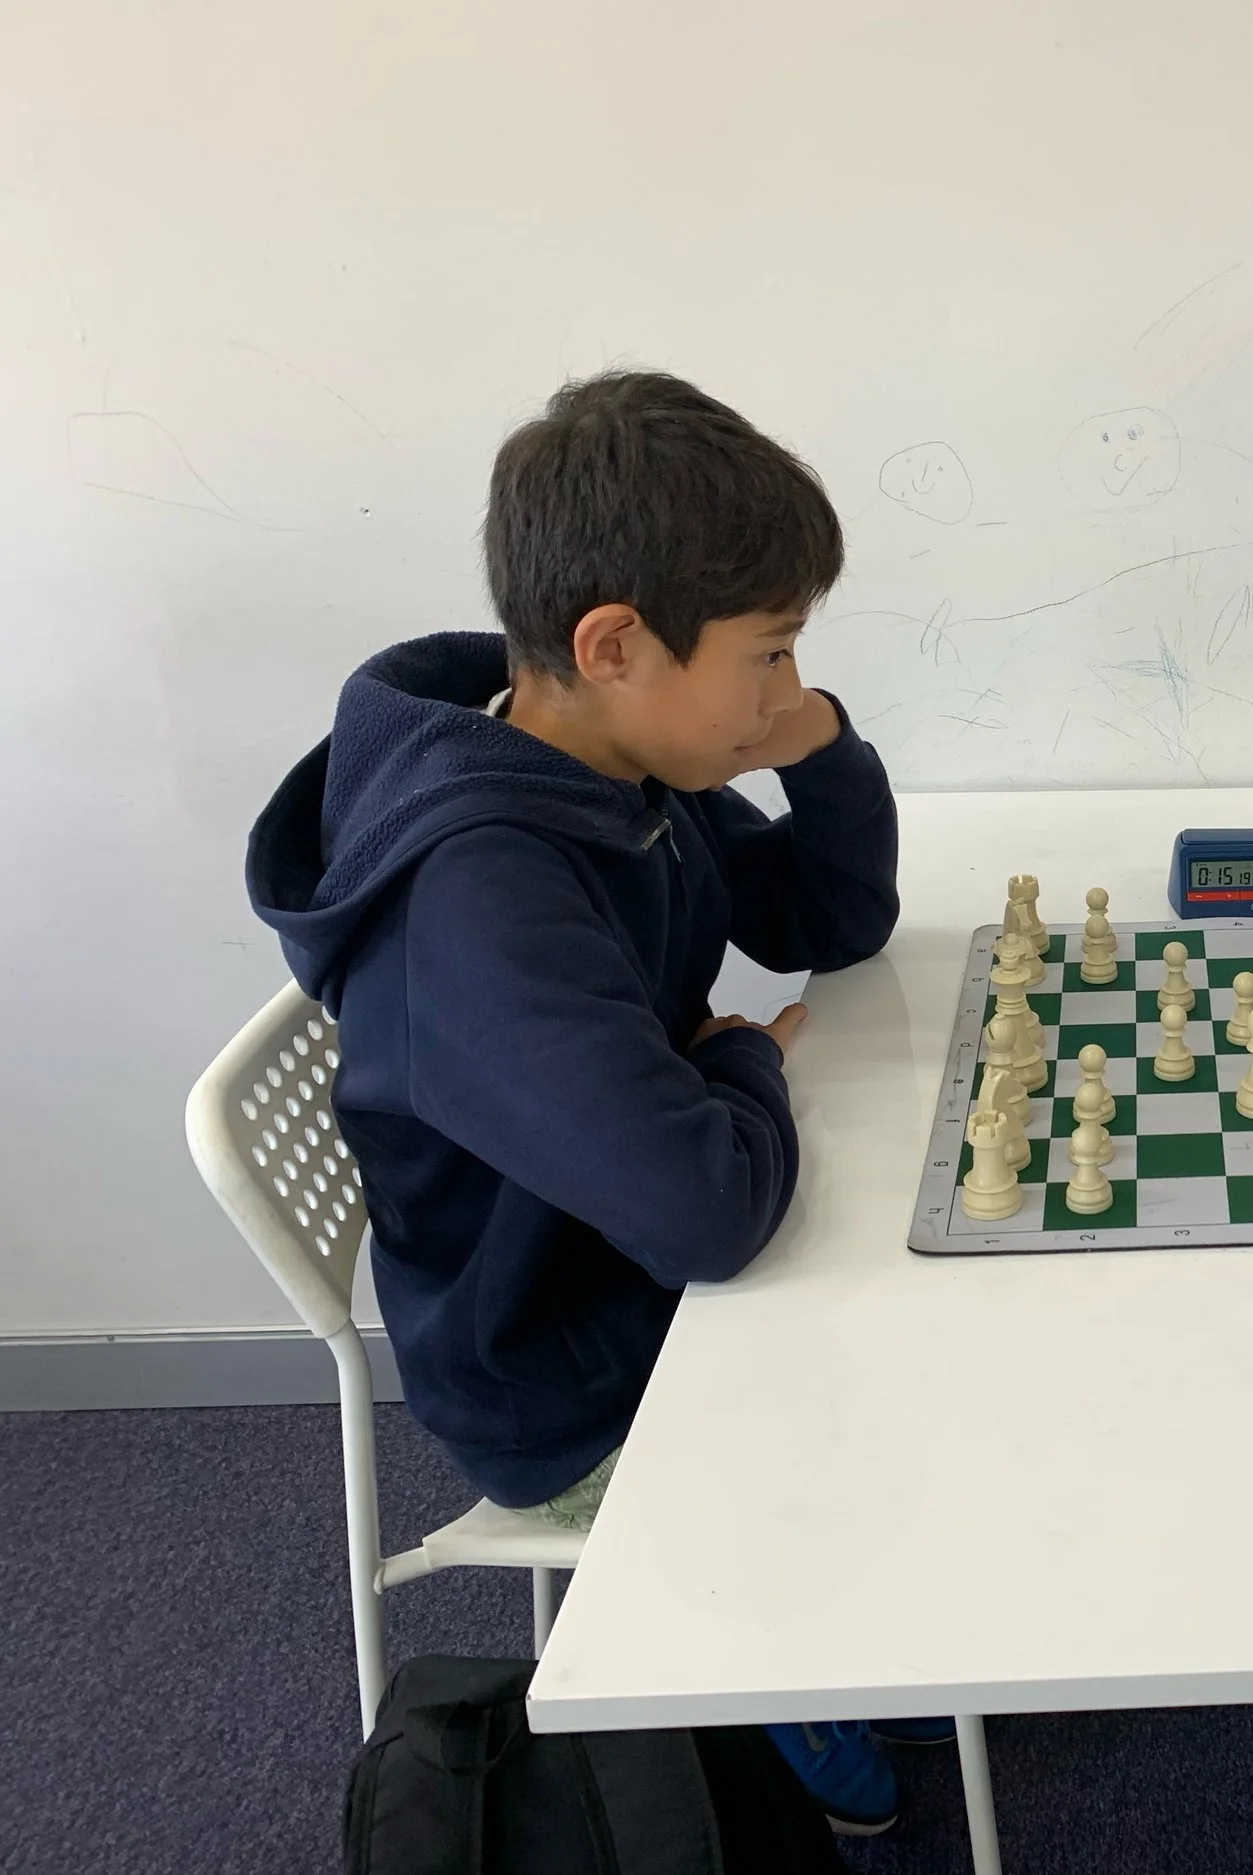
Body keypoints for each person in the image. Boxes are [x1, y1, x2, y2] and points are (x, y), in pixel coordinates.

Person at [247, 371, 929, 1835]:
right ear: (615, 643)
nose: (783, 688)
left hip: (626, 1248)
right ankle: (769, 1671)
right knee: (930, 1353)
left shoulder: (607, 758)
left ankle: (841, 1603)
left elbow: (829, 918)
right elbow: (707, 1213)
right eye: (769, 653)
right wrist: (740, 1060)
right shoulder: (479, 895)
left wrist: (820, 751)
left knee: (917, 1279)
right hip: (564, 1374)